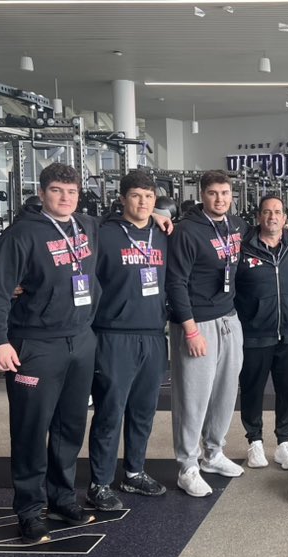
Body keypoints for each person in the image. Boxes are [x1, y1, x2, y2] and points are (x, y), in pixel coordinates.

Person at [0, 163, 100, 544]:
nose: (65, 198)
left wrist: (164, 221)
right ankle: (30, 510)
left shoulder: (87, 226)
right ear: (43, 192)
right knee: (32, 430)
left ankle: (63, 498)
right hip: (36, 345)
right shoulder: (22, 235)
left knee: (70, 427)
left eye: (71, 191)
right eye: (57, 191)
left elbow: (132, 223)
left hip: (80, 340)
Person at [85, 170, 169, 511]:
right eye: (136, 196)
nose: (143, 202)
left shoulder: (163, 233)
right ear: (122, 199)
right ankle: (99, 483)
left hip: (152, 334)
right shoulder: (104, 234)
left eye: (149, 196)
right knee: (110, 411)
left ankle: (133, 472)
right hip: (113, 334)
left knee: (144, 410)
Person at [166, 170, 247, 497]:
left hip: (229, 319)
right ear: (202, 194)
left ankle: (213, 453)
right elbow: (175, 283)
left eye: (225, 193)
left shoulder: (237, 225)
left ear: (232, 195)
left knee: (225, 393)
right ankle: (187, 465)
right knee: (192, 398)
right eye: (213, 193)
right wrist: (190, 330)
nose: (220, 199)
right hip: (197, 324)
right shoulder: (187, 230)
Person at [235, 195, 288, 470]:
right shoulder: (243, 248)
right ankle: (255, 442)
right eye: (267, 212)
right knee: (252, 390)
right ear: (259, 217)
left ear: (285, 218)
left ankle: (284, 444)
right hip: (254, 332)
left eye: (277, 212)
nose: (272, 217)